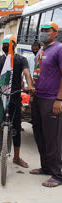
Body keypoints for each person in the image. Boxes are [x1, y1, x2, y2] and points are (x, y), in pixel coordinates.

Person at [0, 34, 34, 167]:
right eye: (4, 45)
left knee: (16, 127)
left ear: (14, 45)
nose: (6, 47)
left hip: (15, 96)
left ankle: (16, 157)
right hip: (0, 95)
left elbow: (27, 73)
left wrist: (30, 86)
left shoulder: (22, 60)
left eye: (9, 45)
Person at [29, 22, 62, 187]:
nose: (43, 33)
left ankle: (57, 174)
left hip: (51, 100)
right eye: (41, 31)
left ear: (55, 33)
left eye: (47, 31)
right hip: (38, 97)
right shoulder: (41, 50)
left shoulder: (59, 49)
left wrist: (59, 99)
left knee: (52, 137)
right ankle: (45, 167)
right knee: (39, 133)